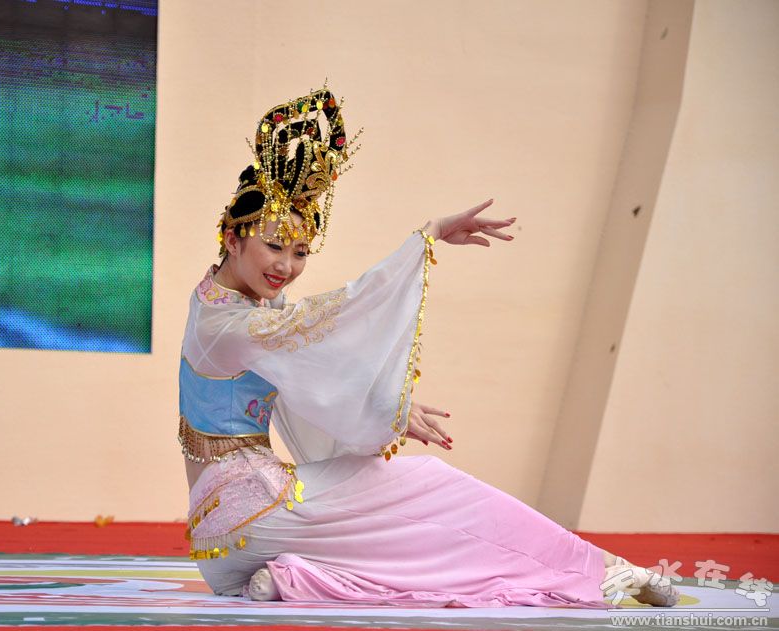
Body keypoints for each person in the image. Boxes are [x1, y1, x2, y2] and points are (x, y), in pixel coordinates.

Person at [177, 87, 679, 609]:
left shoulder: (212, 301)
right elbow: (333, 322)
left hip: (220, 545)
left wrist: (388, 409)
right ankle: (606, 571)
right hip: (254, 513)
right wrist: (428, 237)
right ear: (232, 239)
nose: (287, 266)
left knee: (400, 533)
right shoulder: (236, 327)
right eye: (274, 246)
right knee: (432, 489)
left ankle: (295, 578)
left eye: (301, 251)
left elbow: (311, 370)